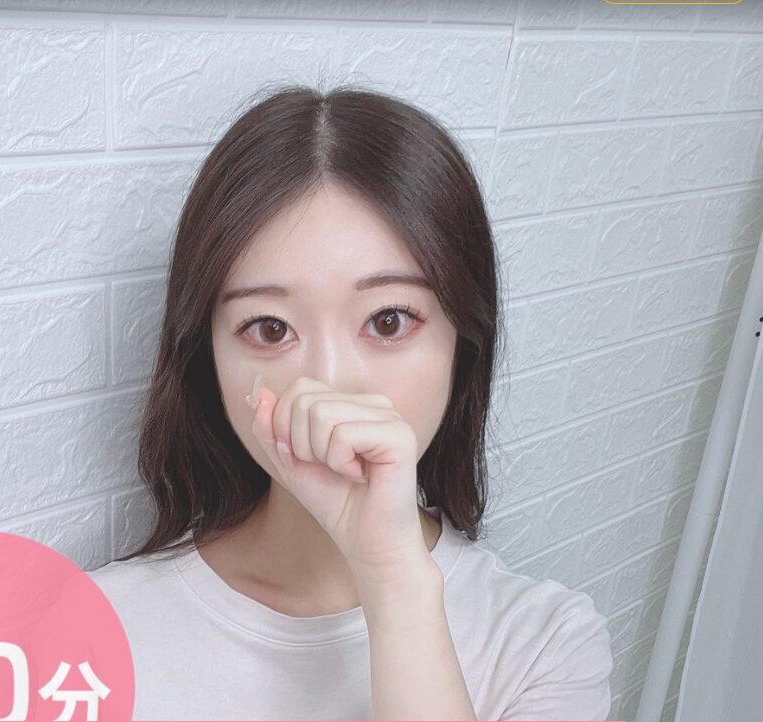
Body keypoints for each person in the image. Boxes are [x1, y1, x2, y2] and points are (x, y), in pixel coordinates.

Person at [87, 84, 614, 720]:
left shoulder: (547, 648)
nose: (329, 383)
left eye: (389, 321)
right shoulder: (91, 630)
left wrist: (393, 580)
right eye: (271, 329)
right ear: (210, 360)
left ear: (463, 342)